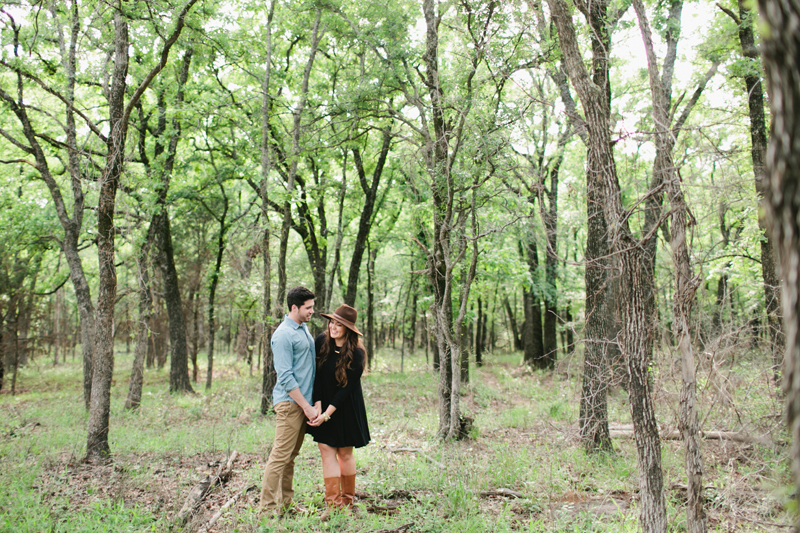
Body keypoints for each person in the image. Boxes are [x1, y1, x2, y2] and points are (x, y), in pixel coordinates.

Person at [307, 304, 371, 516]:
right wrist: (317, 404)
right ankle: (333, 506)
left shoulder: (358, 354)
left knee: (344, 453)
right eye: (332, 322)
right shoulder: (321, 341)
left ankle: (348, 502)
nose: (333, 327)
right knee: (326, 452)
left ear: (348, 329)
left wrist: (327, 415)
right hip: (323, 403)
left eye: (339, 324)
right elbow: (314, 374)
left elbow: (345, 390)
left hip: (345, 408)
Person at [259, 286, 318, 516]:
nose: (312, 311)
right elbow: (284, 376)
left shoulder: (302, 329)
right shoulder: (283, 334)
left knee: (290, 457)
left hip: (303, 404)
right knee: (279, 458)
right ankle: (267, 511)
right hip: (290, 404)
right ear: (294, 307)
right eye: (308, 308)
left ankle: (286, 505)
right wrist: (305, 406)